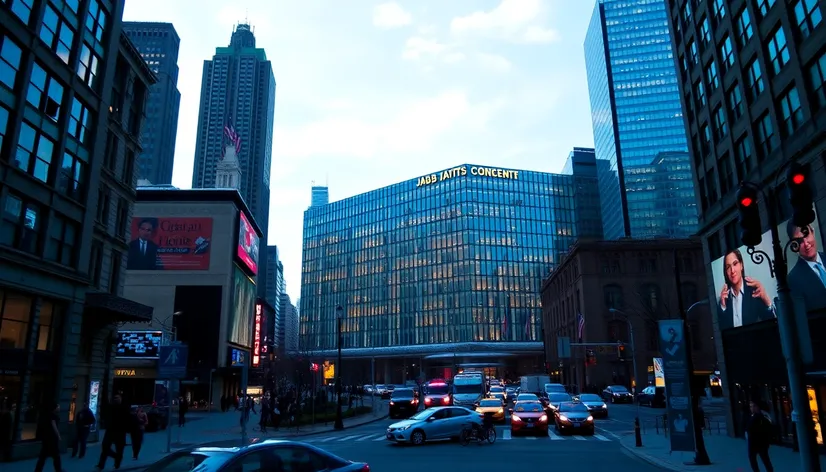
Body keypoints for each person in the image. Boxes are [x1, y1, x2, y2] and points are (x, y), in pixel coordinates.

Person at [717, 249, 774, 330]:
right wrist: (723, 306)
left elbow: (772, 322)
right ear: (726, 272)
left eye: (735, 264)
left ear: (741, 265)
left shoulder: (755, 291)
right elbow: (722, 332)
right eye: (728, 267)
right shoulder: (724, 300)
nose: (732, 271)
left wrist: (767, 300)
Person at [786, 222, 826, 312]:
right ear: (794, 246)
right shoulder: (793, 279)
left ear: (813, 232)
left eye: (806, 235)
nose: (806, 243)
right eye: (799, 241)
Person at [96, 394, 129, 471]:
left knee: (119, 449)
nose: (116, 399)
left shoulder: (124, 408)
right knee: (105, 446)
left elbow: (127, 420)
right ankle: (102, 464)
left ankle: (117, 464)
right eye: (115, 398)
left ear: (121, 399)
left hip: (120, 431)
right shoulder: (111, 407)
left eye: (118, 398)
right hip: (110, 430)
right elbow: (106, 415)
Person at [745, 400, 774, 472]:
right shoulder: (751, 416)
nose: (752, 408)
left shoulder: (763, 416)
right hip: (752, 442)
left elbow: (768, 427)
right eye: (751, 406)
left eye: (754, 406)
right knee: (752, 459)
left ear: (758, 407)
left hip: (761, 442)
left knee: (765, 459)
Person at [34, 402, 62, 472]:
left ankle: (37, 470)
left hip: (46, 438)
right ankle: (58, 470)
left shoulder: (45, 415)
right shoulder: (53, 416)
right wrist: (58, 435)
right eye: (58, 407)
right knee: (56, 456)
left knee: (43, 456)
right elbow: (54, 426)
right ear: (54, 408)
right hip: (52, 438)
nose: (59, 408)